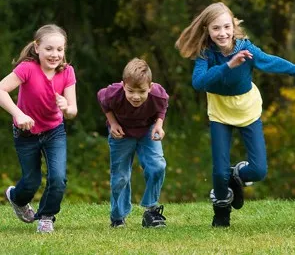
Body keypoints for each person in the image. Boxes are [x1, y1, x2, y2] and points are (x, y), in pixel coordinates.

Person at [175, 2, 295, 227]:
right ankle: (221, 211)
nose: (222, 33)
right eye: (216, 29)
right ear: (207, 31)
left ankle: (237, 174)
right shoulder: (205, 54)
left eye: (226, 27)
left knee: (258, 170)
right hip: (220, 113)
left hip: (247, 111)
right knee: (219, 173)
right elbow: (199, 83)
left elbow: (271, 62)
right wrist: (228, 66)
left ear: (233, 26)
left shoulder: (245, 49)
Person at [0, 24, 78, 233]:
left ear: (64, 51)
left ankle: (46, 216)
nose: (55, 55)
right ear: (37, 47)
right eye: (49, 49)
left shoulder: (67, 72)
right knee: (31, 182)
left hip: (54, 132)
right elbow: (1, 89)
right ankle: (16, 197)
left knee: (58, 178)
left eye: (60, 50)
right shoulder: (27, 68)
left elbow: (72, 111)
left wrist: (66, 108)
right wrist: (18, 114)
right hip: (26, 133)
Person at [97, 58, 169, 228]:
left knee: (157, 166)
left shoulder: (158, 94)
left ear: (150, 87)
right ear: (123, 85)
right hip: (121, 133)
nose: (136, 96)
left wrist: (159, 125)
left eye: (142, 91)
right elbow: (102, 99)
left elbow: (162, 106)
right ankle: (118, 217)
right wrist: (112, 123)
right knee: (120, 176)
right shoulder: (113, 93)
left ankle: (151, 210)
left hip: (147, 131)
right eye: (131, 91)